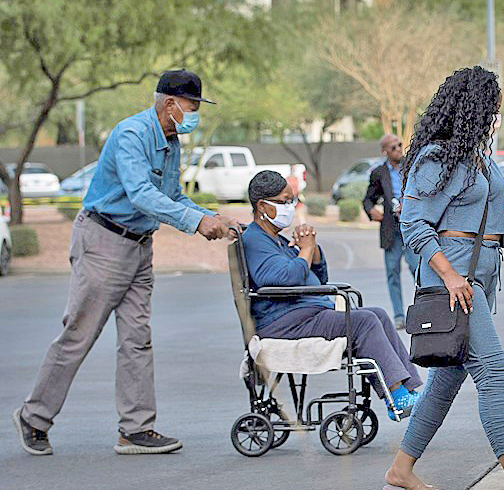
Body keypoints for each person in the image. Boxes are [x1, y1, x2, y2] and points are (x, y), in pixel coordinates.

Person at [14, 69, 235, 456]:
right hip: (104, 241)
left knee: (138, 339)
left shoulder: (170, 140)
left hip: (138, 246)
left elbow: (172, 195)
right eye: (192, 105)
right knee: (79, 334)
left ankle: (135, 429)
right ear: (170, 104)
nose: (195, 113)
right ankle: (34, 416)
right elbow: (141, 195)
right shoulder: (132, 134)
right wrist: (196, 223)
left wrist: (212, 215)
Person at [383, 66, 504, 490]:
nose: (496, 116)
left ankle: (401, 469)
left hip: (479, 281)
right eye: (493, 108)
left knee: (446, 380)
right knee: (493, 368)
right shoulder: (437, 158)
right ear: (475, 108)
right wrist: (450, 276)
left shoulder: (482, 161)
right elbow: (414, 224)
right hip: (454, 280)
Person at [242, 171, 422, 420]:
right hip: (285, 321)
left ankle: (407, 390)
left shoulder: (276, 240)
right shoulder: (255, 240)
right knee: (363, 322)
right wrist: (304, 250)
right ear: (263, 205)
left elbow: (318, 277)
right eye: (284, 202)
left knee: (377, 314)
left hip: (305, 313)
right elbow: (285, 279)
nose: (290, 207)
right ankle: (396, 395)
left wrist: (312, 252)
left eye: (291, 200)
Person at [363, 133, 418, 329]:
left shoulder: (411, 166)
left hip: (411, 226)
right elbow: (368, 198)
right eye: (393, 147)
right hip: (390, 229)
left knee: (417, 269)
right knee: (392, 273)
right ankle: (399, 316)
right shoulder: (378, 172)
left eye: (400, 145)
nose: (398, 149)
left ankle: (421, 311)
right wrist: (371, 210)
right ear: (384, 151)